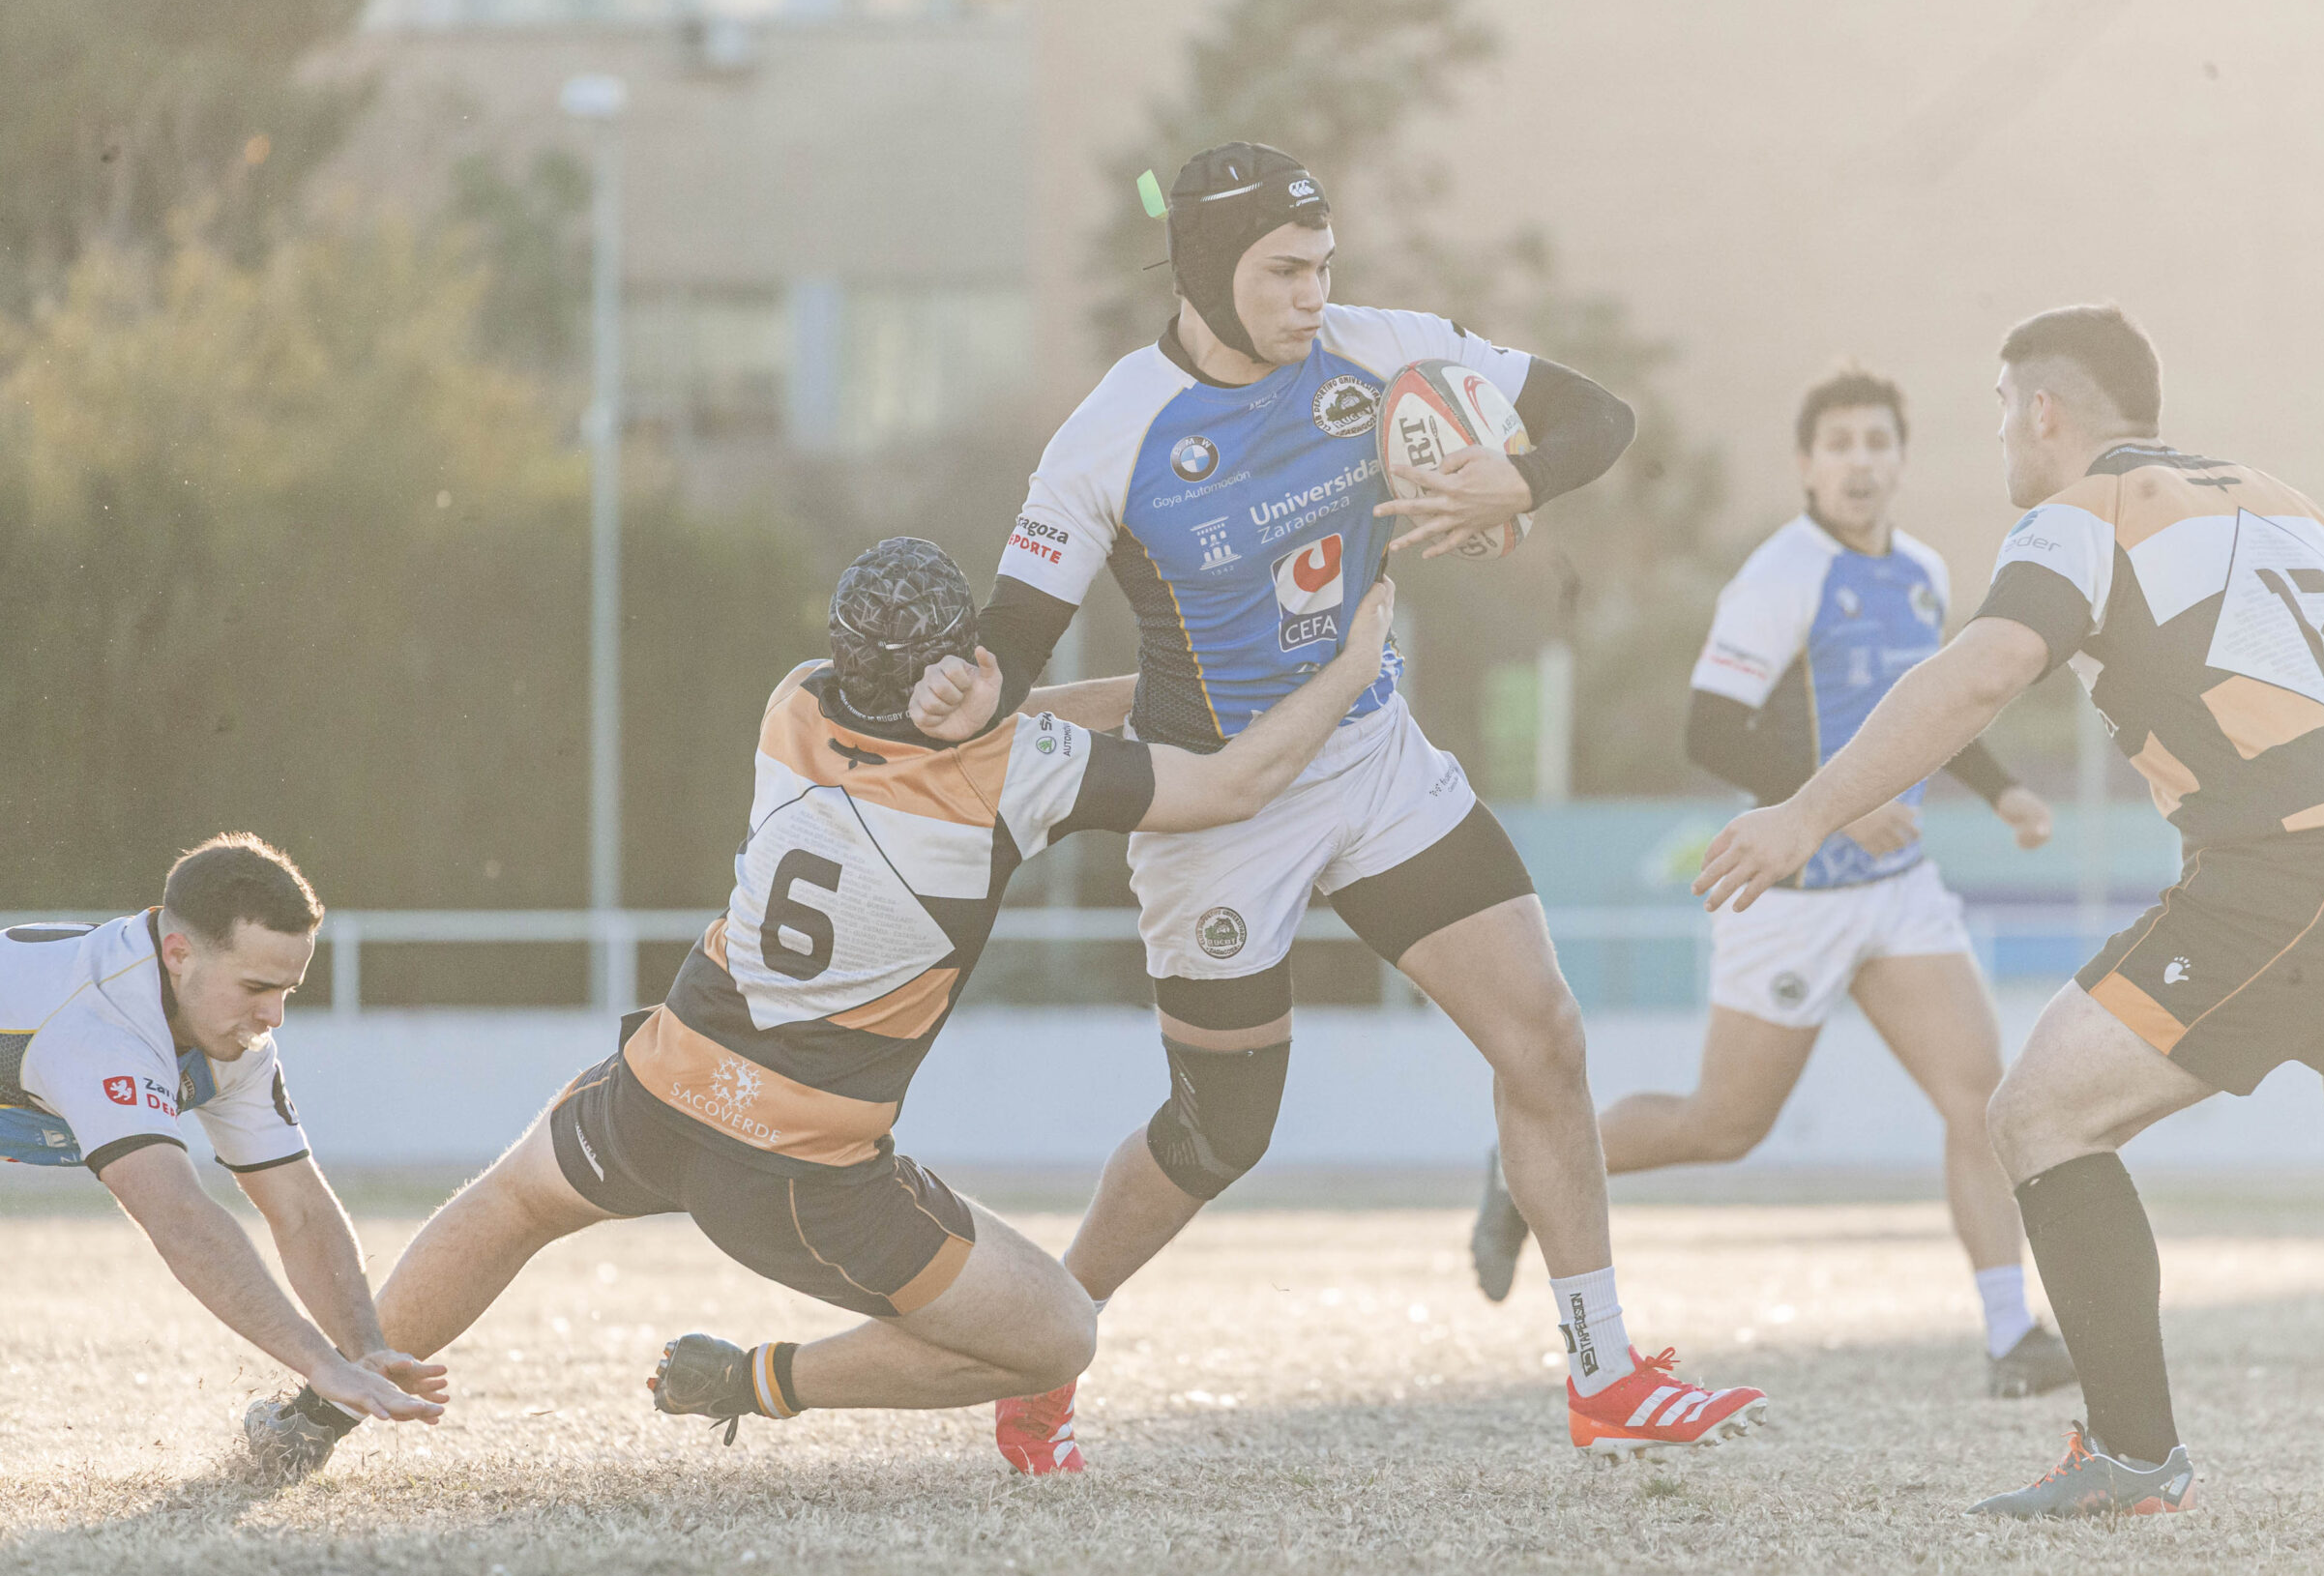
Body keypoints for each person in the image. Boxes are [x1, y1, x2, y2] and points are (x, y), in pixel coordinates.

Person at [907, 141, 1765, 1470]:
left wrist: (1513, 481)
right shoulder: (1113, 433)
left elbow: (1602, 416)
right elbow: (1012, 637)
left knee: (1542, 1032)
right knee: (1217, 1132)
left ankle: (1606, 1372)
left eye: (1325, 268)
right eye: (1285, 272)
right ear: (1204, 270)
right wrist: (952, 694)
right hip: (1212, 811)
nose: (1316, 296)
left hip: (1372, 760)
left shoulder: (1386, 351)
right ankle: (1044, 1350)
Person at [244, 536, 1397, 1477]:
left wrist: (1088, 697)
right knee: (1058, 1335)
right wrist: (1347, 673)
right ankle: (756, 1380)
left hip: (661, 1080)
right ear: (963, 662)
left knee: (507, 1205)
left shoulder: (793, 701)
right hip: (801, 1173)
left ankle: (317, 1414)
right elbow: (1235, 781)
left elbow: (989, 722)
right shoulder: (1015, 772)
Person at [1693, 305, 2324, 1518]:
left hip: (2300, 862)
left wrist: (1807, 810)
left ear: (2042, 409)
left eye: (2002, 408)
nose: (2001, 433)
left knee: (2039, 1114)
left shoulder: (2076, 514)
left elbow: (1985, 671)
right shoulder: (2271, 494)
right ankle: (2131, 1454)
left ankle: (2132, 1456)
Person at [1468, 366, 2076, 1399]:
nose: (1859, 462)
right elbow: (1709, 727)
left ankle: (2011, 1337)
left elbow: (1930, 709)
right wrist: (1823, 803)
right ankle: (1518, 1171)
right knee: (1722, 1127)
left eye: (1877, 443)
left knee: (1982, 1102)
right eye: (1837, 444)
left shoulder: (1923, 570)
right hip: (1792, 899)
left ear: (1900, 460)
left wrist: (2005, 788)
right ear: (1806, 465)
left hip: (1898, 886)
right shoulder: (1781, 573)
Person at [0, 835, 447, 1454]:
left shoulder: (231, 1036)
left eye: (286, 990)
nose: (274, 1017)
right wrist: (322, 1365)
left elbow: (300, 1208)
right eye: (257, 986)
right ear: (179, 953)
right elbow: (179, 1217)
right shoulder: (102, 1026)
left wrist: (363, 1349)